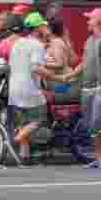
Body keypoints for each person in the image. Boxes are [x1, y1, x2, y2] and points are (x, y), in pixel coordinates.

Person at [66, 8, 101, 170]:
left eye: (90, 19)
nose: (88, 22)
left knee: (98, 119)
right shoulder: (89, 41)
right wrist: (69, 76)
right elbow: (84, 63)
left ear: (98, 21)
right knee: (91, 124)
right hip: (87, 87)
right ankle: (98, 157)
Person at [11, 13, 67, 165]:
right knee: (39, 119)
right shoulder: (36, 45)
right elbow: (37, 68)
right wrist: (58, 78)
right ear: (38, 28)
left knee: (24, 123)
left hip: (14, 88)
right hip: (29, 88)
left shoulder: (17, 43)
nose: (45, 28)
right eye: (43, 25)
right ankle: (14, 140)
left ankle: (25, 158)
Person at [44, 18, 77, 93]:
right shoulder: (55, 42)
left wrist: (42, 64)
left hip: (63, 83)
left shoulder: (56, 42)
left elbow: (60, 64)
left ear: (50, 29)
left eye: (45, 27)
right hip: (62, 81)